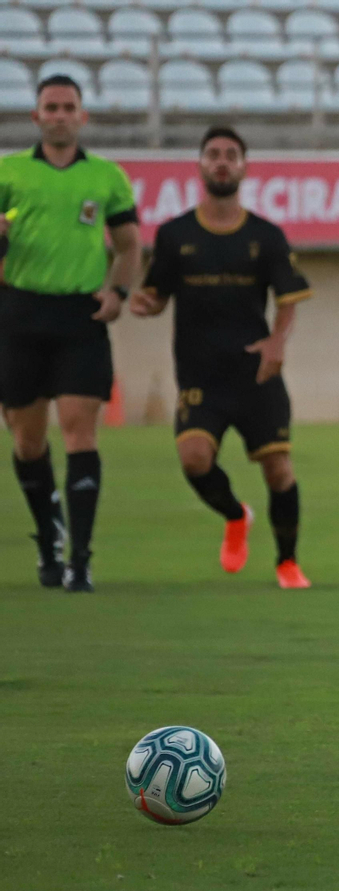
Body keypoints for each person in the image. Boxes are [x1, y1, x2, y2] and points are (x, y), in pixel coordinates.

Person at [131, 126, 312, 589]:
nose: (222, 162)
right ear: (200, 165)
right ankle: (236, 516)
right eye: (213, 154)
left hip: (256, 375)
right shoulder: (175, 234)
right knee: (193, 459)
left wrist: (277, 341)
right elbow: (156, 293)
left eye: (231, 154)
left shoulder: (266, 235)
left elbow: (289, 296)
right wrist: (144, 304)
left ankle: (287, 563)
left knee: (278, 469)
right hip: (200, 376)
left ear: (244, 166)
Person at [0, 74, 141, 592]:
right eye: (50, 107)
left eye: (68, 107)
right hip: (19, 313)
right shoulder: (8, 172)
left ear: (83, 117)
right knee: (28, 440)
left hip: (79, 318)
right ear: (35, 118)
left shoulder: (106, 177)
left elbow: (128, 245)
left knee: (81, 433)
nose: (59, 115)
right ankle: (48, 536)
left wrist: (117, 293)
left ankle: (80, 558)